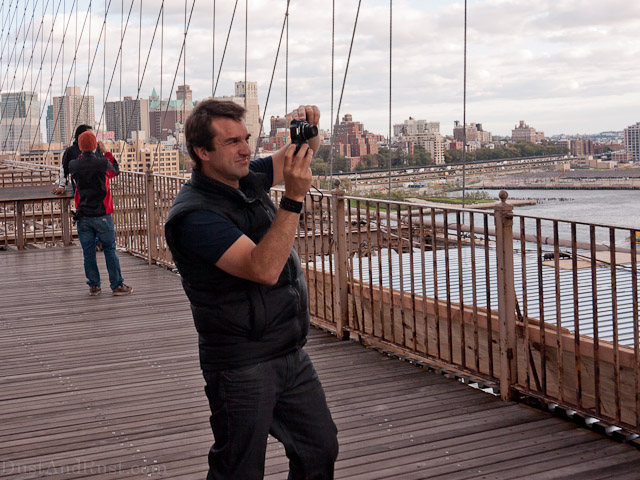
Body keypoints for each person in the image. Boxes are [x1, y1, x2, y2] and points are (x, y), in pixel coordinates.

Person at [164, 99, 338, 479]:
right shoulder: (194, 216)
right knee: (239, 468)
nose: (246, 149)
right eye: (232, 143)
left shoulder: (245, 178)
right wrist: (292, 199)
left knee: (319, 448)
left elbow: (295, 156)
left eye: (246, 139)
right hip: (241, 363)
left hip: (288, 350)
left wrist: (307, 134)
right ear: (202, 152)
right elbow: (264, 269)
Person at [66, 130, 133, 296]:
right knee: (110, 249)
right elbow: (114, 171)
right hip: (102, 213)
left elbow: (74, 177)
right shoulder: (103, 163)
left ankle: (94, 285)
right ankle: (116, 284)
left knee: (88, 252)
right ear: (95, 144)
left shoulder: (74, 165)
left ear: (80, 146)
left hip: (83, 215)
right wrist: (105, 152)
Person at [51, 124, 94, 195]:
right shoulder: (70, 151)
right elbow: (64, 169)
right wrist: (62, 186)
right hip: (80, 190)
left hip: (94, 189)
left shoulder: (95, 149)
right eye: (89, 135)